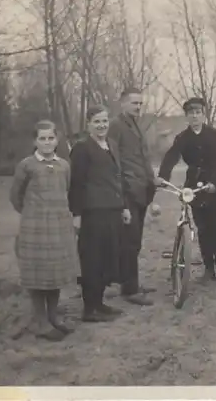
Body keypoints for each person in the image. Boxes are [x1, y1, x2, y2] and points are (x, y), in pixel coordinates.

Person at [9, 120, 78, 341]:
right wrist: (33, 213)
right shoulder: (26, 165)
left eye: (50, 138)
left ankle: (52, 316)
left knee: (54, 272)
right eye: (42, 138)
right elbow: (16, 197)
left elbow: (66, 190)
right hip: (35, 227)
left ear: (57, 140)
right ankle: (40, 321)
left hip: (58, 227)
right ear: (35, 141)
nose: (47, 142)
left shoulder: (64, 166)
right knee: (37, 273)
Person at [157, 97, 216, 283]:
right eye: (191, 113)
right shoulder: (182, 138)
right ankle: (208, 268)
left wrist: (215, 183)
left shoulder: (214, 135)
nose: (195, 116)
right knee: (202, 228)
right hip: (194, 186)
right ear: (187, 117)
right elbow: (171, 156)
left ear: (203, 115)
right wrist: (163, 176)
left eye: (198, 113)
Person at [68, 105, 131, 322]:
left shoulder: (111, 145)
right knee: (92, 260)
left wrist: (123, 206)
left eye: (104, 121)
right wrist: (76, 214)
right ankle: (89, 309)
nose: (101, 125)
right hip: (92, 213)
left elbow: (116, 179)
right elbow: (76, 184)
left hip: (112, 211)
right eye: (96, 121)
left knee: (107, 259)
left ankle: (99, 303)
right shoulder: (82, 148)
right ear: (88, 125)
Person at [108, 88, 158, 306]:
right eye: (134, 103)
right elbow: (114, 160)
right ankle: (129, 289)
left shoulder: (136, 124)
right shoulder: (115, 126)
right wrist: (121, 188)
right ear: (122, 104)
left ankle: (131, 282)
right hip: (127, 190)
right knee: (129, 240)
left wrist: (152, 179)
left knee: (135, 241)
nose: (138, 107)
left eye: (140, 103)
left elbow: (144, 157)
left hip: (141, 189)